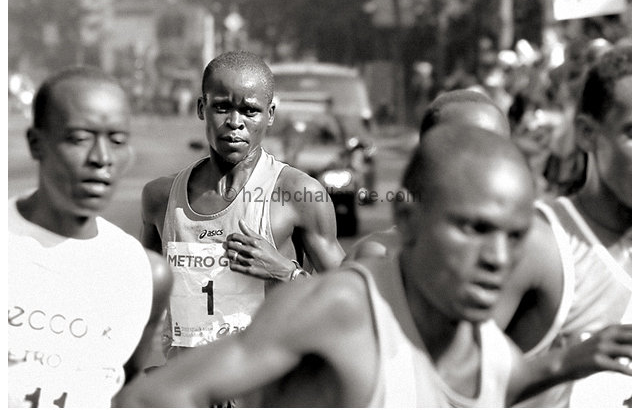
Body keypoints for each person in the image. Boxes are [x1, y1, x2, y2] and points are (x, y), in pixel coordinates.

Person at [115, 125, 631, 408]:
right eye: (471, 228)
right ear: (408, 217)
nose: (497, 257)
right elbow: (153, 398)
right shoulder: (346, 307)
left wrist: (576, 360)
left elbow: (502, 383)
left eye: (515, 236)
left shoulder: (478, 335)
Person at [140, 51, 344, 357]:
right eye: (222, 107)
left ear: (271, 114)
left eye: (250, 111)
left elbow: (353, 302)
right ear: (201, 108)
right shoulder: (161, 198)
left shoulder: (298, 194)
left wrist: (285, 273)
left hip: (265, 396)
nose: (235, 123)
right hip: (187, 395)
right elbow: (146, 303)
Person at [8, 66, 172, 408]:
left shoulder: (144, 274)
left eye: (117, 140)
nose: (101, 159)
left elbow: (120, 389)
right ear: (36, 144)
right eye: (80, 138)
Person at [493, 44, 632, 407]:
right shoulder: (540, 245)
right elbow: (448, 385)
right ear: (587, 134)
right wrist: (564, 364)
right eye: (633, 132)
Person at [347, 88, 510, 261]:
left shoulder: (534, 255)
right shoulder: (378, 258)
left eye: (496, 149)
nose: (483, 164)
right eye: (462, 149)